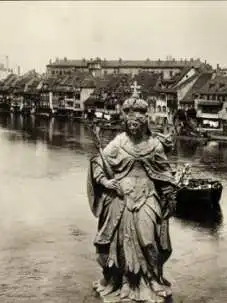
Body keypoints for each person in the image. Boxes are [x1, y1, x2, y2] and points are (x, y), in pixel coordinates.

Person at [87, 93, 178, 303]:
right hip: (122, 196)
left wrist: (169, 195)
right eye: (130, 123)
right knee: (121, 243)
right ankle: (125, 281)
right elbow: (97, 163)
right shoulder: (119, 142)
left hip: (147, 195)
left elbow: (164, 172)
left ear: (144, 123)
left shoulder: (154, 145)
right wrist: (106, 182)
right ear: (126, 124)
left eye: (137, 123)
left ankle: (153, 279)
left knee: (148, 238)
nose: (133, 127)